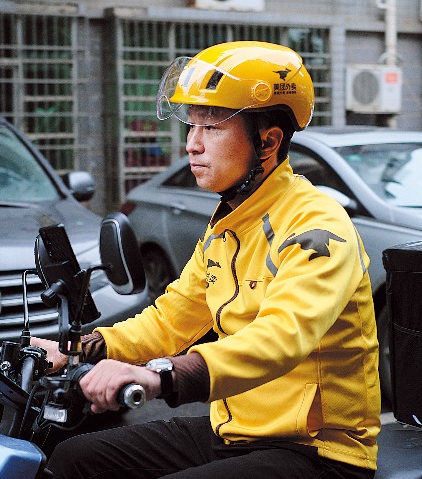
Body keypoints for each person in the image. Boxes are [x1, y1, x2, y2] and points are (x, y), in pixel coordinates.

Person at [32, 40, 381, 479]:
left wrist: (161, 376)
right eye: (191, 126)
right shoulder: (228, 224)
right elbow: (172, 319)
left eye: (211, 127)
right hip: (236, 433)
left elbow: (280, 339)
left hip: (317, 450)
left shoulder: (316, 227)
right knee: (73, 460)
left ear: (268, 140)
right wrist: (79, 348)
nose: (192, 145)